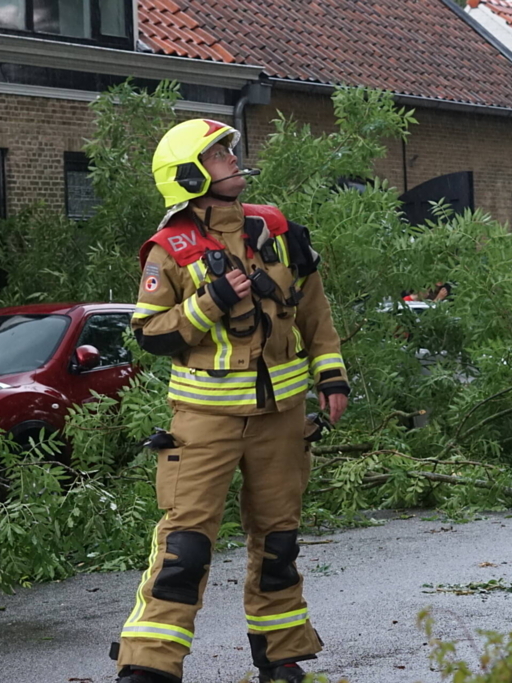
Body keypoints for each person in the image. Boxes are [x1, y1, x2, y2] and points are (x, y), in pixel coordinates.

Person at [109, 119, 350, 683]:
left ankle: (282, 655)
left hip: (281, 422)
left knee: (279, 542)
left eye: (228, 152)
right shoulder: (170, 249)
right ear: (190, 175)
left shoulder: (278, 230)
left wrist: (331, 378)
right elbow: (148, 335)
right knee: (185, 547)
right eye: (217, 154)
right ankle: (148, 666)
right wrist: (210, 303)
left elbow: (315, 312)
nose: (231, 160)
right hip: (204, 425)